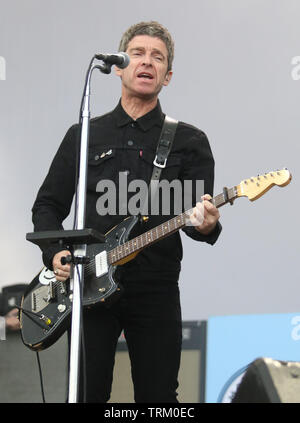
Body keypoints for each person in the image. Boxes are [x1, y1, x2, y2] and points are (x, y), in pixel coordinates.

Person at [31, 21, 221, 403]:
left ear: (167, 77)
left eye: (158, 57)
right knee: (86, 394)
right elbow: (47, 206)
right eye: (137, 53)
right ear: (118, 66)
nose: (147, 62)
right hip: (88, 287)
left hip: (156, 288)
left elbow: (195, 218)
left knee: (159, 399)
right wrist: (55, 254)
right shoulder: (84, 134)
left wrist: (206, 224)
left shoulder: (189, 141)